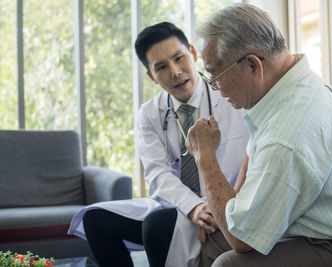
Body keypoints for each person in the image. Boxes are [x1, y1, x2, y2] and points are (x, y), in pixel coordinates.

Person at [185, 3, 332, 267]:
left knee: (230, 263)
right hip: (316, 234)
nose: (214, 86)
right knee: (211, 237)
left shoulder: (289, 133)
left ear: (252, 65)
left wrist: (204, 157)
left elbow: (241, 238)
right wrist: (227, 213)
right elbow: (244, 189)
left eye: (215, 74)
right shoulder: (285, 87)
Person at [68, 22, 249, 267]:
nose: (175, 71)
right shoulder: (150, 113)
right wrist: (194, 206)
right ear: (151, 76)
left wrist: (216, 207)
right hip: (183, 204)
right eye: (162, 67)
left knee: (157, 226)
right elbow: (157, 173)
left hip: (225, 202)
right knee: (95, 220)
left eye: (179, 58)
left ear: (193, 54)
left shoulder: (228, 96)